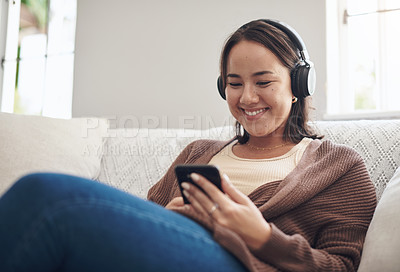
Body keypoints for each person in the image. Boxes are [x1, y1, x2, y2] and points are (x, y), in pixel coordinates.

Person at [0, 19, 376, 272]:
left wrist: (261, 235)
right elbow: (146, 219)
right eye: (234, 83)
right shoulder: (199, 153)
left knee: (46, 195)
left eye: (263, 82)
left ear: (299, 85)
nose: (247, 97)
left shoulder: (340, 167)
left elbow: (341, 266)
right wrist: (175, 214)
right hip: (176, 251)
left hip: (243, 263)